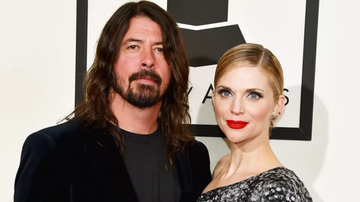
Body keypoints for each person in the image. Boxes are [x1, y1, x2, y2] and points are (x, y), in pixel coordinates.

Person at [14, 1, 211, 202]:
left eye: (160, 49)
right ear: (109, 59)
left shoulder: (194, 156)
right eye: (134, 47)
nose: (148, 60)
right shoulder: (55, 149)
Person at [197, 43, 312, 202]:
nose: (236, 108)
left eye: (253, 95)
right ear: (214, 97)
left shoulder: (280, 192)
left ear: (277, 105)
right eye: (226, 93)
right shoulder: (221, 166)